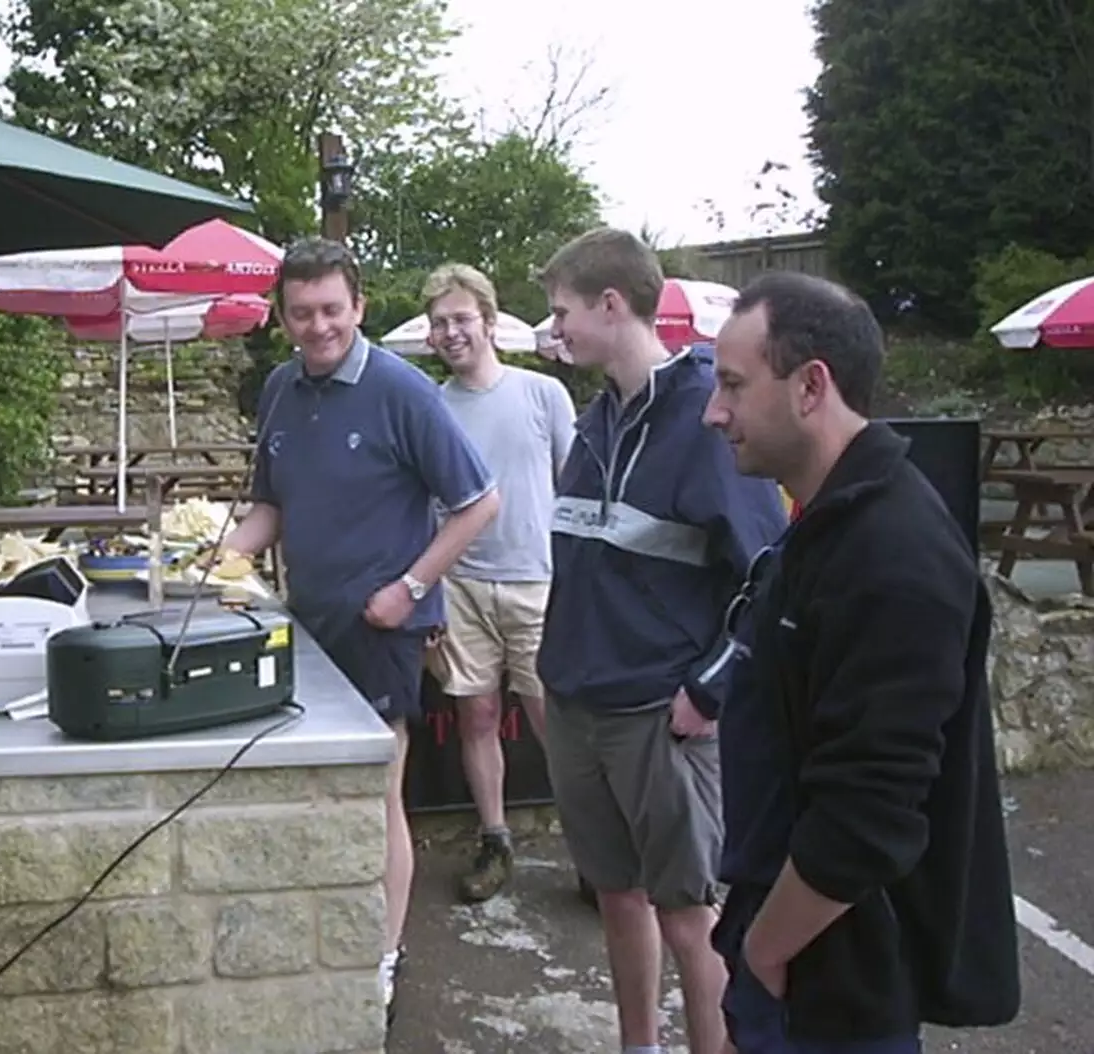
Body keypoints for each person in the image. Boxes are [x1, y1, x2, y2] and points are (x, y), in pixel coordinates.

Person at [702, 271, 1020, 1053]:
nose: (715, 412)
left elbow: (871, 809)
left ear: (811, 386)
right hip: (790, 949)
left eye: (735, 386)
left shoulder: (893, 553)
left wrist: (767, 948)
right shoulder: (827, 525)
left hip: (834, 979)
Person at [215, 237, 500, 1018]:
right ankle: (325, 931)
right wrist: (217, 559)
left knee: (379, 795)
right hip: (304, 625)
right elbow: (271, 507)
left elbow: (480, 503)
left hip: (382, 628)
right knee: (312, 788)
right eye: (301, 312)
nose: (318, 326)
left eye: (332, 309)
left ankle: (381, 955)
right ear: (281, 316)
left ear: (359, 307)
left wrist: (410, 589)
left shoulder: (404, 390)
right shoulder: (278, 388)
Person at [533, 227, 787, 1054]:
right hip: (576, 702)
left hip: (658, 711)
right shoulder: (597, 418)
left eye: (562, 310)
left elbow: (766, 577)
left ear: (612, 304)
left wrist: (709, 690)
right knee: (616, 896)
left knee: (690, 918)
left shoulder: (706, 418)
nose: (555, 328)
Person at [420, 262, 576, 902]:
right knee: (476, 715)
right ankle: (494, 837)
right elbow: (422, 502)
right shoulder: (429, 406)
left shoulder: (544, 395)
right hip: (460, 586)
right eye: (439, 323)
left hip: (536, 583)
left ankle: (593, 851)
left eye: (460, 319)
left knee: (554, 723)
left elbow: (578, 491)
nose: (450, 332)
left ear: (489, 321)